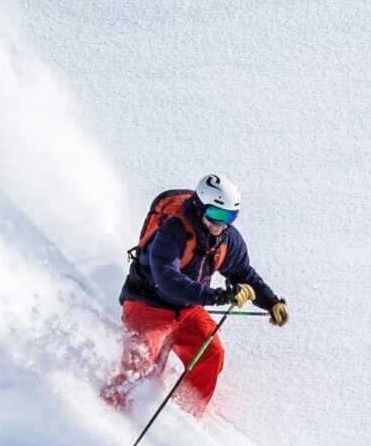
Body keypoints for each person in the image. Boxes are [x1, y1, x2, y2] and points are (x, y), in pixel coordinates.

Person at [104, 173, 289, 414]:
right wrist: (218, 296)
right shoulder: (172, 232)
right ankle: (114, 412)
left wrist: (271, 302)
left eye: (229, 217)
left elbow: (242, 272)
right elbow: (168, 281)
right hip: (147, 306)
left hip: (188, 310)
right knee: (139, 370)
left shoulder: (226, 238)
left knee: (212, 354)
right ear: (200, 206)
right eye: (216, 215)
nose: (221, 224)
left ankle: (186, 415)